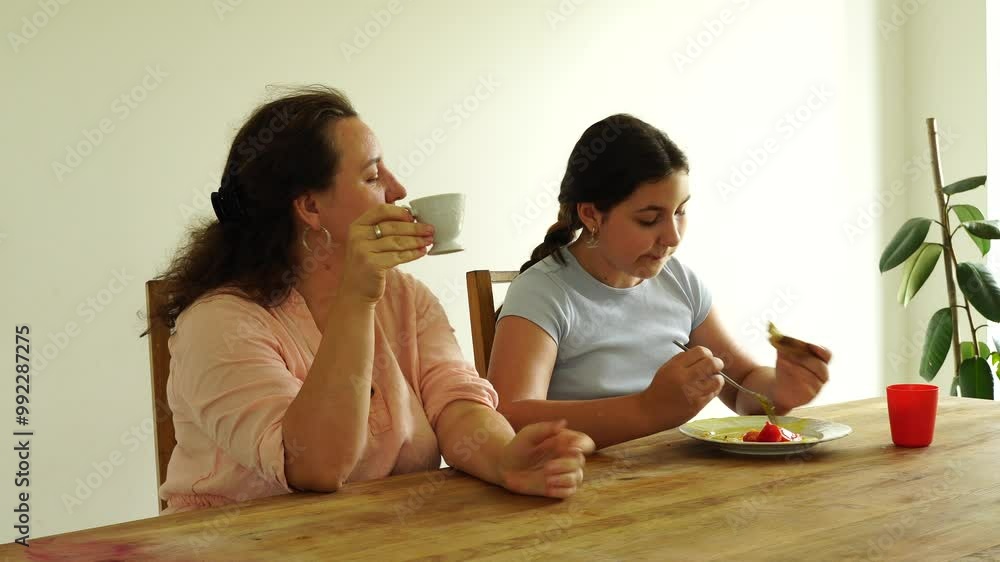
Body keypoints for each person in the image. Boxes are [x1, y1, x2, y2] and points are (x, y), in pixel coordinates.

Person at [150, 86, 594, 513]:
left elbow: (455, 403)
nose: (398, 191)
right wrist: (357, 299)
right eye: (372, 176)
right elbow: (315, 466)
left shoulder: (405, 296)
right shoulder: (218, 323)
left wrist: (504, 458)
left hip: (382, 536)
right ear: (310, 208)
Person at [488, 114, 831, 450]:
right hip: (580, 481)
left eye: (680, 212)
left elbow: (743, 386)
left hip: (674, 479)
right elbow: (509, 417)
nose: (673, 237)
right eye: (649, 219)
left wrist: (782, 390)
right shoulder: (542, 292)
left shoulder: (680, 283)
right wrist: (647, 409)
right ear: (591, 214)